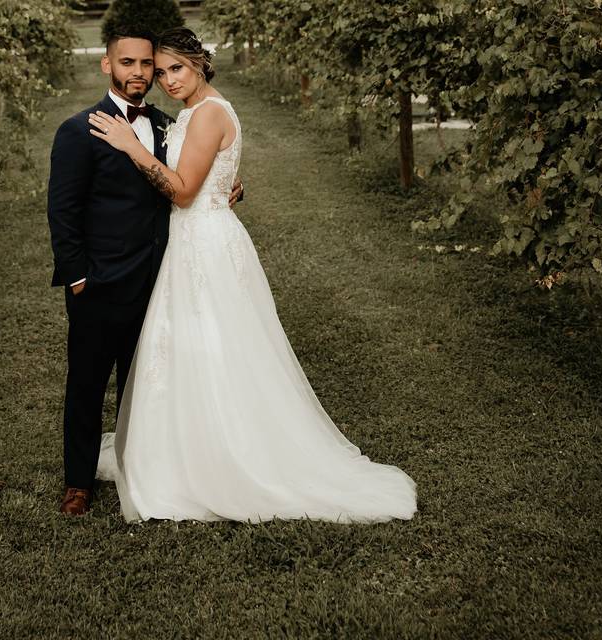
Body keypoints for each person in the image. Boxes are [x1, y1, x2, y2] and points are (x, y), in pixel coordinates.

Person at [89, 28, 418, 523]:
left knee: (214, 344)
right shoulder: (200, 111)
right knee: (193, 346)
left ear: (200, 62)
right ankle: (190, 442)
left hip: (203, 242)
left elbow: (180, 191)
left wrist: (127, 144)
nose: (167, 80)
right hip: (197, 237)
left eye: (176, 68)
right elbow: (206, 177)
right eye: (160, 72)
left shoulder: (211, 113)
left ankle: (222, 457)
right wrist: (222, 186)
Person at [47, 26, 244, 517]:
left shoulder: (165, 124)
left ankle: (144, 464)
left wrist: (225, 189)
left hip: (160, 275)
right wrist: (76, 276)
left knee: (147, 381)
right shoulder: (80, 130)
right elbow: (63, 211)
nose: (140, 74)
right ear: (107, 65)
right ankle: (78, 482)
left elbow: (187, 177)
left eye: (148, 67)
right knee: (87, 382)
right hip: (99, 280)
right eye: (130, 64)